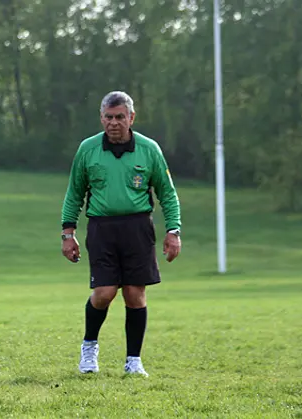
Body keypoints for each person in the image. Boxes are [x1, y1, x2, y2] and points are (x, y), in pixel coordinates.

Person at [60, 91, 181, 377]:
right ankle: (89, 347)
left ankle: (133, 360)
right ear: (101, 118)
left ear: (131, 118)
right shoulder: (88, 149)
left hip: (138, 228)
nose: (114, 123)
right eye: (108, 117)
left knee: (134, 295)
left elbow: (168, 194)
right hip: (102, 228)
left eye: (120, 117)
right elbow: (74, 193)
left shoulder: (149, 149)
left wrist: (173, 230)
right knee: (103, 293)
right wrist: (68, 233)